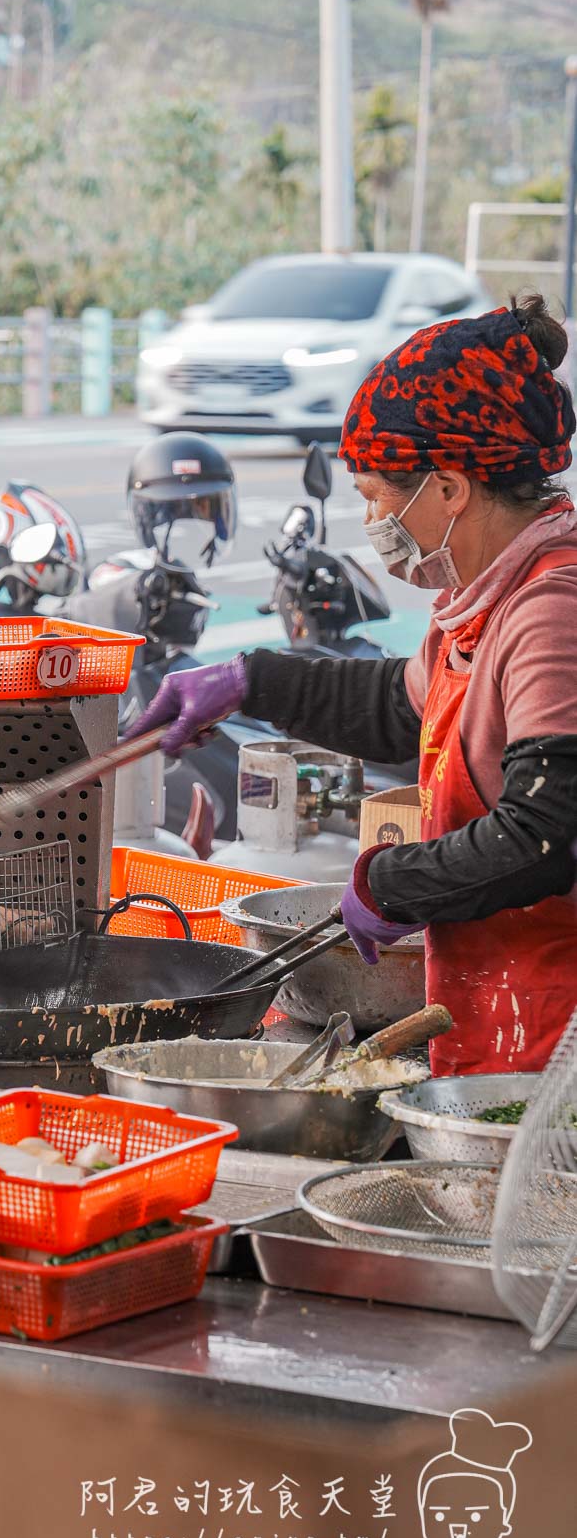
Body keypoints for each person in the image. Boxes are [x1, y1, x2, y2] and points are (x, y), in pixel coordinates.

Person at [128, 296, 577, 1076]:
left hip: (553, 1028)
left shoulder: (549, 610)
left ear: (448, 489)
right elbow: (398, 709)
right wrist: (249, 680)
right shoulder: (478, 603)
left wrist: (388, 885)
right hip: (503, 1009)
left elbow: (547, 832)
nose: (370, 518)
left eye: (374, 496)